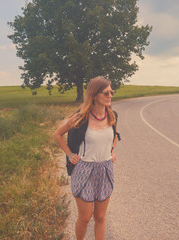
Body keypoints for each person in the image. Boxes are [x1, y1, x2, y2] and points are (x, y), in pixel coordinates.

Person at [54, 76, 119, 240]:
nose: (110, 95)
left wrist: (111, 151)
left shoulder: (112, 115)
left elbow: (115, 136)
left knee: (101, 217)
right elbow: (58, 134)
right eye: (106, 92)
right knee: (85, 218)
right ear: (94, 95)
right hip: (84, 170)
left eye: (112, 91)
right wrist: (70, 155)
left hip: (105, 170)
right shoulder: (80, 117)